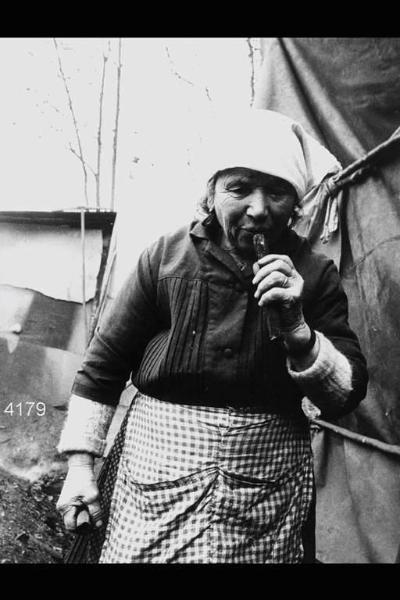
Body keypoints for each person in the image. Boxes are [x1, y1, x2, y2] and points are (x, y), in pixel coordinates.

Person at [56, 108, 368, 564]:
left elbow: (345, 394)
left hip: (264, 491)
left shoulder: (314, 274)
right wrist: (82, 466)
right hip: (156, 479)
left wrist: (298, 330)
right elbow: (104, 365)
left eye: (278, 193)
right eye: (239, 188)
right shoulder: (165, 257)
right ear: (211, 194)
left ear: (297, 204)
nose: (259, 210)